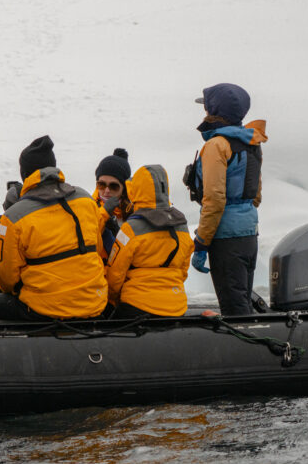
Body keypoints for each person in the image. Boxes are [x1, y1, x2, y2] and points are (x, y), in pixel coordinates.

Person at [0, 135, 108, 321]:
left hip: (43, 310)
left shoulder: (15, 216)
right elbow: (96, 248)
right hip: (94, 302)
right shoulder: (86, 199)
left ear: (25, 175)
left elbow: (7, 279)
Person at [183, 83, 268, 316]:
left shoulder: (216, 146)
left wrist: (201, 242)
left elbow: (215, 199)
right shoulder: (253, 142)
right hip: (249, 234)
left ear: (214, 111)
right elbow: (256, 194)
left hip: (225, 239)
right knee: (242, 305)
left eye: (207, 108)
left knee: (234, 311)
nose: (205, 113)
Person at [105, 164, 193, 317]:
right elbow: (183, 269)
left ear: (136, 189)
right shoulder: (181, 224)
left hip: (137, 305)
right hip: (176, 305)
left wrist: (113, 301)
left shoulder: (130, 228)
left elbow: (115, 273)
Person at [93, 148, 132, 257]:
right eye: (101, 185)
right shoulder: (88, 206)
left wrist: (117, 232)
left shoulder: (134, 211)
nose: (106, 191)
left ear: (124, 188)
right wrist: (104, 214)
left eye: (113, 186)